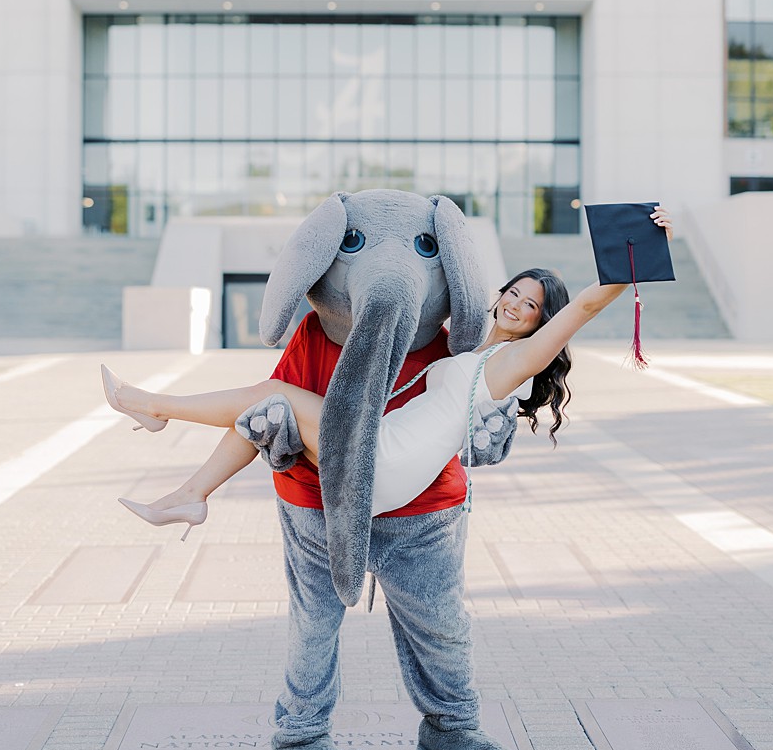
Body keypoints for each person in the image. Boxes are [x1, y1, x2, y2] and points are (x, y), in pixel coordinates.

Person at [103, 206, 668, 531]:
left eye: (534, 307)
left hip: (392, 463)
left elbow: (587, 306)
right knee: (268, 405)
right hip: (387, 445)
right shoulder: (467, 349)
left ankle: (152, 407)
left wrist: (645, 243)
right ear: (499, 295)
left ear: (539, 324)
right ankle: (191, 495)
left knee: (275, 389)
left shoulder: (515, 362)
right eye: (516, 293)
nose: (520, 306)